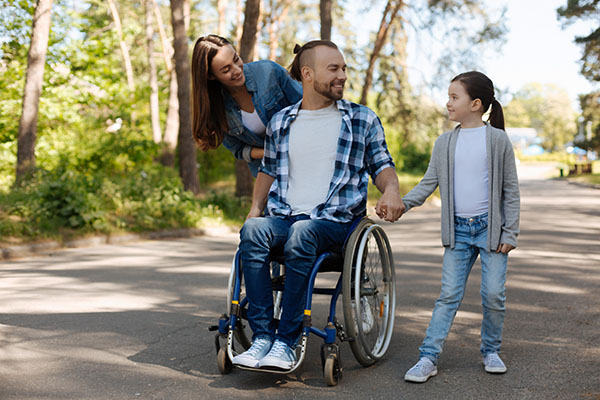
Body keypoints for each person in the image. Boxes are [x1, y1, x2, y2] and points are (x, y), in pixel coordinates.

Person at [231, 40, 406, 370]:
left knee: (303, 232)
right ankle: (263, 338)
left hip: (335, 224)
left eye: (343, 69)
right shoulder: (282, 122)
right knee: (253, 231)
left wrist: (391, 190)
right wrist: (255, 209)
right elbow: (268, 170)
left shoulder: (361, 119)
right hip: (286, 217)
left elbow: (381, 165)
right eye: (334, 69)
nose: (342, 75)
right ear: (308, 74)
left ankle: (286, 340)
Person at [401, 71, 520, 383]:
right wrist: (403, 204)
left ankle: (490, 350)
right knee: (449, 296)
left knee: (494, 294)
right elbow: (429, 183)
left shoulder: (498, 140)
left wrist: (511, 232)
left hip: (490, 230)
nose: (448, 103)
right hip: (458, 232)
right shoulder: (445, 142)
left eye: (455, 97)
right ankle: (428, 357)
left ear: (476, 104)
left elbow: (511, 190)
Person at [190, 35, 302, 176]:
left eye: (236, 59)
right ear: (211, 76)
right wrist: (269, 153)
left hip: (305, 153)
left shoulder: (269, 72)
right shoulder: (217, 109)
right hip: (271, 173)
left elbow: (307, 105)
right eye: (226, 70)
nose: (236, 70)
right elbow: (238, 149)